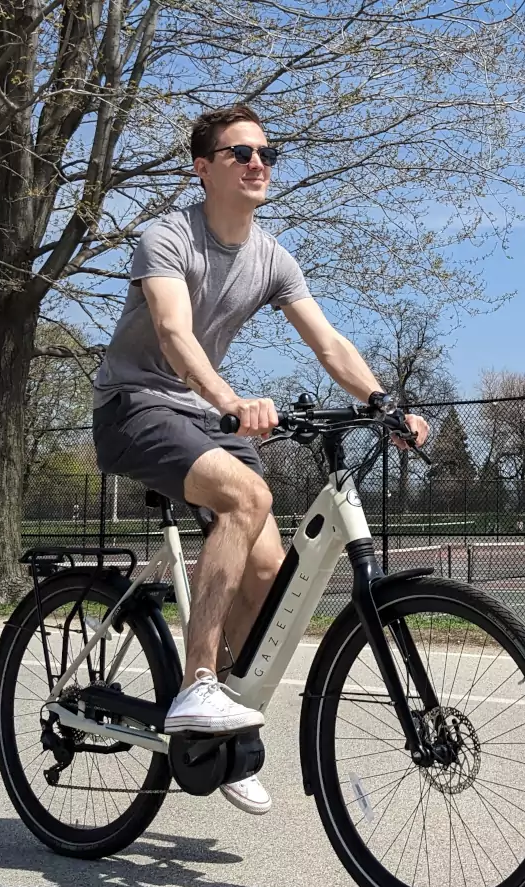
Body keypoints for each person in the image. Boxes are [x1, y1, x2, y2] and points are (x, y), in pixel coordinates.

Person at [92, 105, 429, 815]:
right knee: (247, 497)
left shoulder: (272, 258)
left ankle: (220, 725)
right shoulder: (167, 237)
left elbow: (329, 343)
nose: (258, 164)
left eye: (267, 154)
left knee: (273, 571)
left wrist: (383, 403)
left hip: (203, 415)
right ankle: (197, 686)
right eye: (240, 152)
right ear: (203, 168)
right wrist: (229, 400)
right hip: (136, 406)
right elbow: (174, 333)